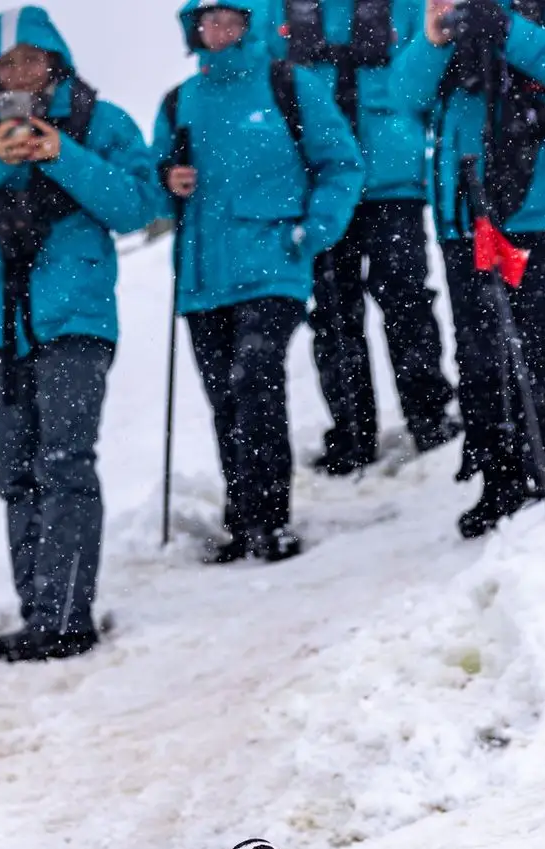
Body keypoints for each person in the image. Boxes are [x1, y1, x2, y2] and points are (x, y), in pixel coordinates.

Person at [0, 7, 161, 661]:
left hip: (73, 317)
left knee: (64, 461)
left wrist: (62, 153)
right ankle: (40, 613)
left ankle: (66, 617)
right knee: (18, 474)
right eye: (8, 63)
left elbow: (138, 205)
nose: (21, 72)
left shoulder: (100, 123)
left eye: (32, 58)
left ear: (56, 61)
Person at [153, 0, 365, 563]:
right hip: (204, 276)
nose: (220, 31)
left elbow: (341, 163)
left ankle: (269, 519)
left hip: (274, 264)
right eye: (210, 21)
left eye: (232, 20)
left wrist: (314, 230)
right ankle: (245, 517)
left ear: (250, 25)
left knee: (255, 378)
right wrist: (166, 180)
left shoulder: (287, 84)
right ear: (195, 28)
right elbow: (150, 193)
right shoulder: (178, 102)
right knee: (225, 396)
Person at [389, 0, 545, 539]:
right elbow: (406, 97)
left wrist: (507, 30)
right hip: (469, 210)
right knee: (481, 350)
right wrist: (432, 41)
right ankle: (501, 477)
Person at [283, 0, 459, 474]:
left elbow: (430, 68)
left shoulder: (407, 5)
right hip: (323, 189)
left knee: (403, 300)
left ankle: (425, 416)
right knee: (336, 312)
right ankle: (355, 433)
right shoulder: (275, 9)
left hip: (390, 181)